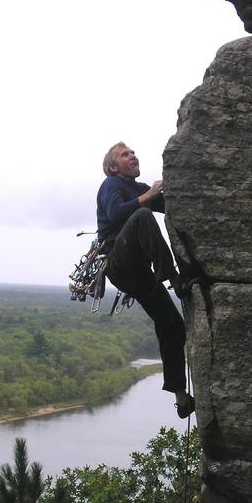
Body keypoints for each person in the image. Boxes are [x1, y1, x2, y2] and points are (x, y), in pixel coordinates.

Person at [97, 141, 196, 418]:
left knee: (172, 324)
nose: (133, 156)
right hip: (119, 263)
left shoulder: (138, 190)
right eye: (124, 154)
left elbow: (166, 205)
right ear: (113, 167)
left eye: (132, 152)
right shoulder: (111, 186)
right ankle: (174, 280)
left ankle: (182, 398)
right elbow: (116, 212)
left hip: (139, 273)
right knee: (141, 215)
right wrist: (148, 195)